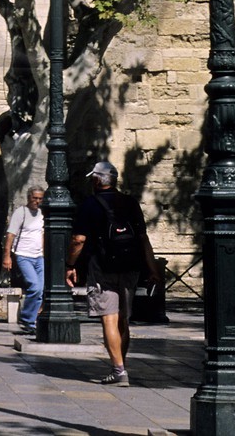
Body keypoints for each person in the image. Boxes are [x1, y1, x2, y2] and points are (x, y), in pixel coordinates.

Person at [66, 160, 162, 387]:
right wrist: (153, 269)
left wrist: (69, 264)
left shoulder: (89, 205)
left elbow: (79, 240)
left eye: (93, 178)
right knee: (123, 319)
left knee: (109, 317)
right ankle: (121, 365)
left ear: (98, 180)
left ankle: (119, 370)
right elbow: (142, 239)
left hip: (102, 268)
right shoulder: (130, 203)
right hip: (130, 266)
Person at [2, 186, 46, 336]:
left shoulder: (42, 213)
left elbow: (42, 234)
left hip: (39, 256)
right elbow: (10, 235)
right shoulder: (21, 213)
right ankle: (27, 318)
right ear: (29, 197)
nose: (37, 201)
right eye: (35, 198)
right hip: (23, 255)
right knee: (34, 285)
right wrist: (7, 256)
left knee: (40, 289)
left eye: (40, 198)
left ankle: (32, 321)